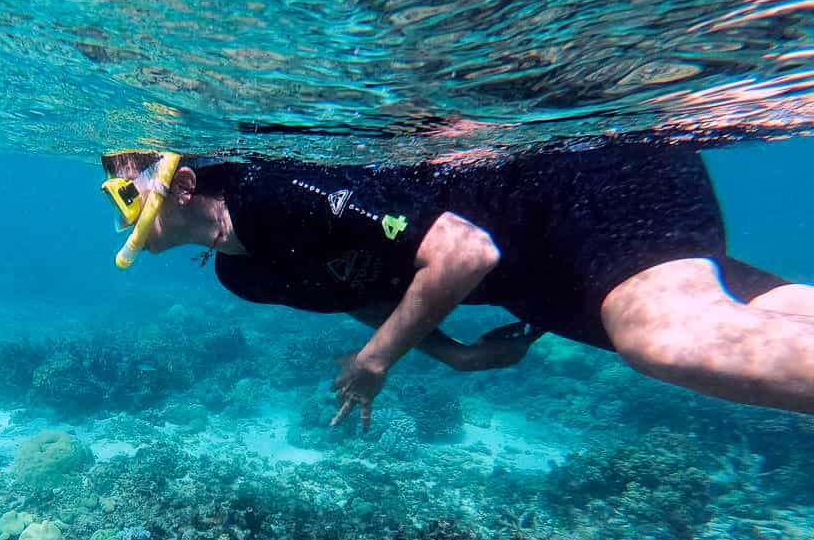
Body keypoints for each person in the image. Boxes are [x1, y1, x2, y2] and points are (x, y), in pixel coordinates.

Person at [99, 145, 814, 427]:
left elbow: (462, 252)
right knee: (744, 316)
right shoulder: (240, 272)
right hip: (533, 269)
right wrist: (452, 354)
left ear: (183, 182)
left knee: (669, 338)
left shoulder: (278, 186)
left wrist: (376, 361)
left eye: (126, 185)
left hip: (563, 188)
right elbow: (355, 289)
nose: (115, 197)